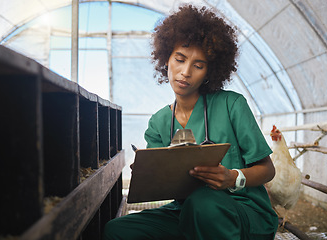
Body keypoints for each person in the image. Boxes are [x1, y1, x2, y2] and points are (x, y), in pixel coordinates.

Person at [103, 4, 279, 240]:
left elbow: (268, 169)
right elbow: (162, 184)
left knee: (204, 203)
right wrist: (148, 173)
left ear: (209, 72)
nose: (185, 72)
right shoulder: (159, 122)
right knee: (117, 231)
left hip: (241, 212)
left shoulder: (232, 105)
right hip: (187, 211)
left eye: (198, 65)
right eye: (180, 59)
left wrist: (233, 177)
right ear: (166, 58)